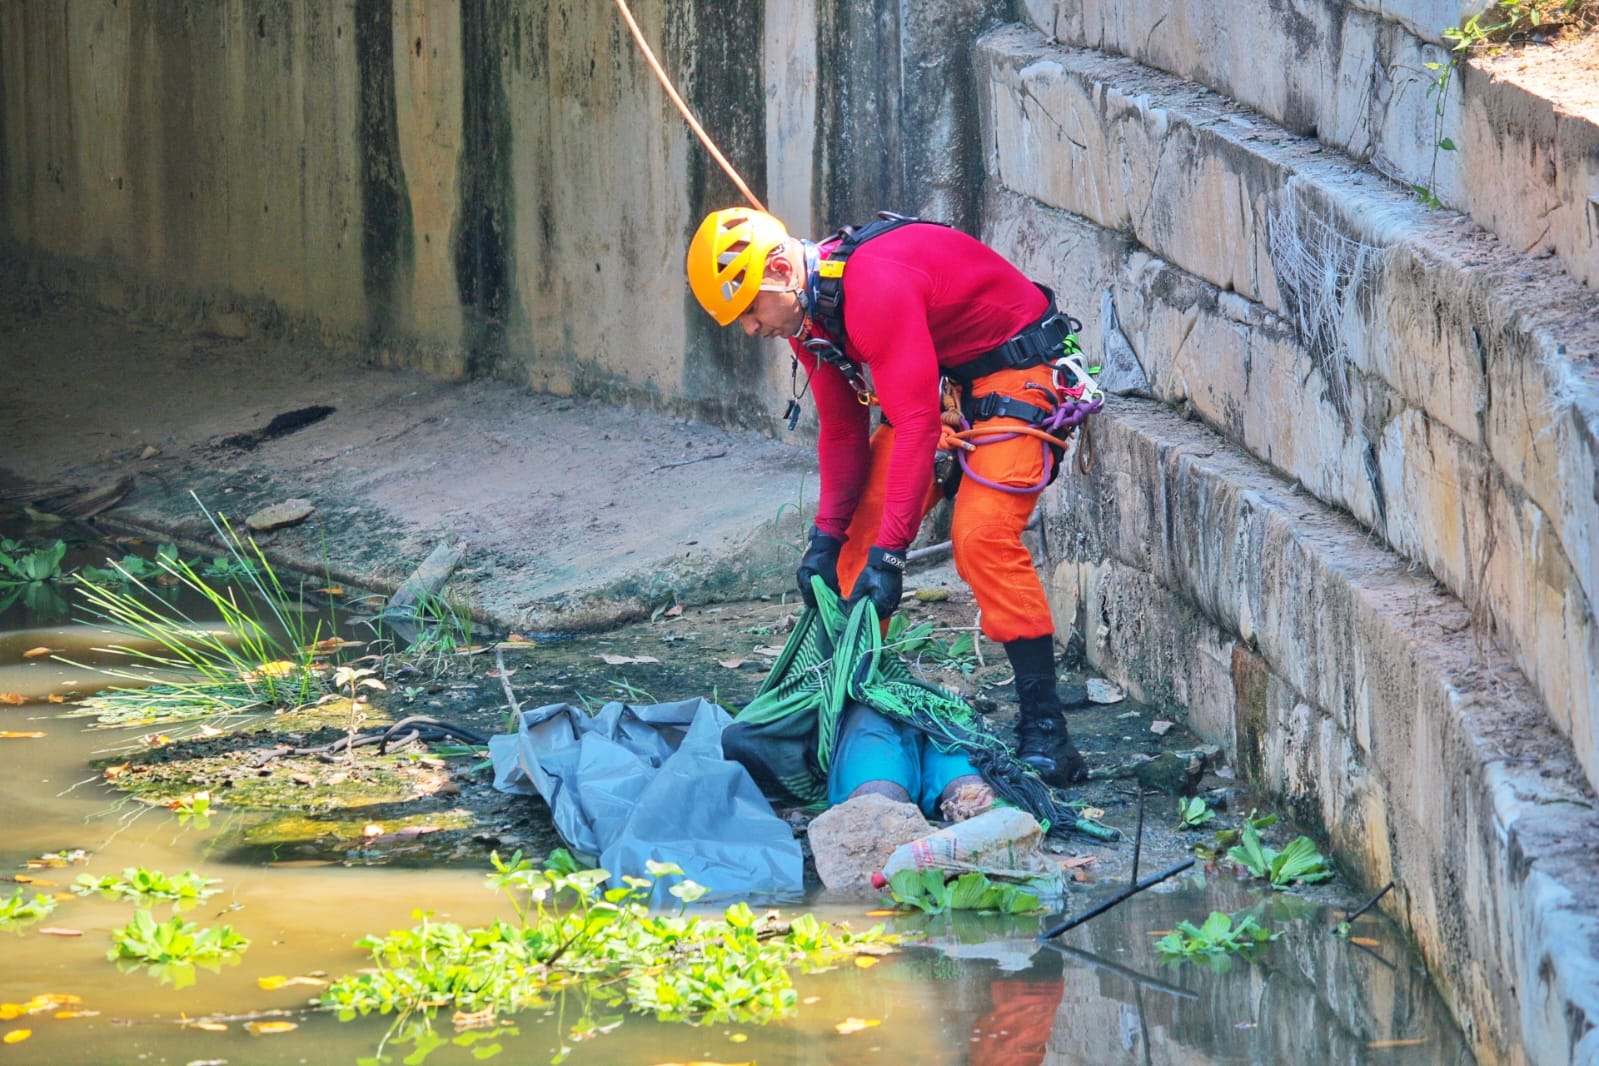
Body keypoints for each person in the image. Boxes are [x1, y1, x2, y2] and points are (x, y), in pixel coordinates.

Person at [686, 206, 1096, 787]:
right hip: (946, 385)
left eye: (751, 309)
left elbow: (918, 424)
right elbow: (841, 430)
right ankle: (844, 707)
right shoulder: (811, 315)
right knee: (855, 548)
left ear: (779, 268)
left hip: (1019, 373)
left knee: (980, 538)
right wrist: (826, 538)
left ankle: (1047, 730)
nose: (751, 329)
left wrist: (894, 558)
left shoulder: (871, 287)